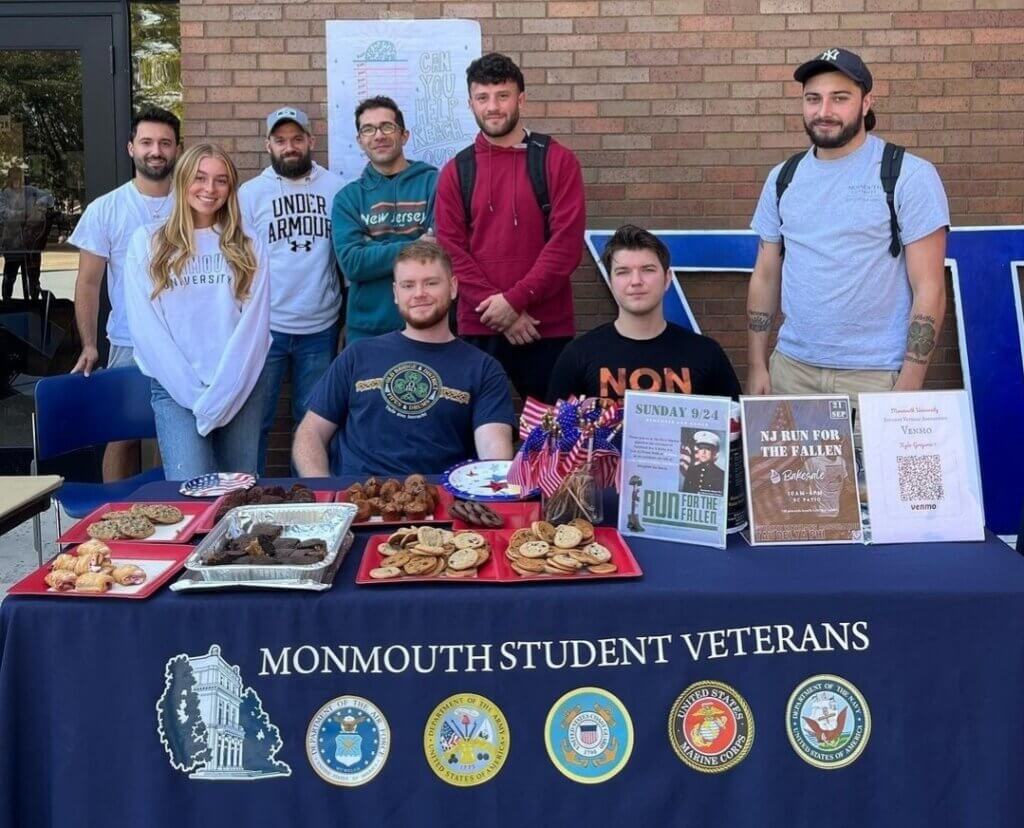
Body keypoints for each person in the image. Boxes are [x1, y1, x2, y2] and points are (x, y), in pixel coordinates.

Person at [746, 48, 950, 407]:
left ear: (866, 102)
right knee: (789, 468)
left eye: (839, 98)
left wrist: (909, 382)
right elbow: (765, 275)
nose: (824, 112)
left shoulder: (908, 174)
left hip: (874, 379)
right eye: (813, 99)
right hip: (791, 372)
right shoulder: (782, 178)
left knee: (870, 467)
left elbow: (929, 287)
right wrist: (757, 364)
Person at [435, 52, 585, 402]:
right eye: (482, 97)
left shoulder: (557, 160)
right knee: (475, 436)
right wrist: (499, 310)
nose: (493, 107)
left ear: (521, 99)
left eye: (502, 96)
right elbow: (450, 250)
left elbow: (566, 245)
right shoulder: (456, 171)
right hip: (479, 326)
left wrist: (515, 301)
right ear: (470, 103)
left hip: (544, 326)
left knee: (554, 437)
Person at [293, 239, 514, 477]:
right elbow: (310, 432)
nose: (419, 293)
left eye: (430, 283)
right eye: (408, 285)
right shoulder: (358, 355)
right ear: (395, 293)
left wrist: (495, 480)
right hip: (357, 502)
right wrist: (326, 497)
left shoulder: (483, 368)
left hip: (440, 504)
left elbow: (494, 452)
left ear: (452, 287)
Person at [124, 144, 271, 480]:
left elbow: (255, 328)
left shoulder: (248, 243)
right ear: (183, 179)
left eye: (221, 181)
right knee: (189, 493)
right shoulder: (147, 241)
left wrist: (224, 392)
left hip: (240, 385)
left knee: (239, 494)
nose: (210, 189)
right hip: (176, 389)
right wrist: (196, 397)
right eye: (200, 178)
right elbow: (147, 331)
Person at [68, 106, 181, 481]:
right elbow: (87, 283)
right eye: (147, 141)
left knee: (175, 436)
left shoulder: (194, 203)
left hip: (184, 344)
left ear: (178, 149)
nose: (156, 150)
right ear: (130, 147)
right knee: (122, 437)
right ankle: (114, 520)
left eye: (165, 143)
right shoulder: (106, 210)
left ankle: (173, 524)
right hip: (127, 342)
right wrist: (89, 344)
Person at [239, 106, 345, 474]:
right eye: (281, 140)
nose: (290, 147)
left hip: (321, 325)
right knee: (256, 421)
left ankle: (311, 500)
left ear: (310, 141)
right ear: (268, 144)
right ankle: (249, 497)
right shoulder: (250, 195)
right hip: (266, 327)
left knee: (311, 422)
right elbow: (238, 262)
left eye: (297, 139)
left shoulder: (336, 189)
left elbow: (343, 257)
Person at [548, 225, 741, 403]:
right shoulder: (578, 355)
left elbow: (735, 431)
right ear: (611, 281)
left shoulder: (706, 354)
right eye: (623, 272)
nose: (636, 281)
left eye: (648, 270)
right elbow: (553, 435)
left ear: (667, 279)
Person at [332, 96, 437, 343]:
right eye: (368, 129)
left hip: (429, 325)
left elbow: (439, 253)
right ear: (360, 141)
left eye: (387, 126)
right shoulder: (348, 198)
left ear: (404, 135)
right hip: (368, 331)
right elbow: (352, 263)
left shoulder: (435, 184)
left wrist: (372, 248)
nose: (378, 135)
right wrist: (415, 245)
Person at [0, 167, 54, 301]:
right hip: (13, 244)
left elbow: (49, 197)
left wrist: (40, 204)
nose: (17, 181)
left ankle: (34, 302)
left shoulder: (30, 191)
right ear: (9, 179)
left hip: (31, 244)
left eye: (19, 178)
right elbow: (4, 214)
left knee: (33, 277)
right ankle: (6, 303)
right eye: (14, 178)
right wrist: (25, 213)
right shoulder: (4, 194)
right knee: (9, 277)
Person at [680, 431, 725, 496]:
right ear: (698, 451)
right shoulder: (691, 471)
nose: (703, 452)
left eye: (708, 449)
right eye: (701, 448)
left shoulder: (721, 474)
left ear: (714, 452)